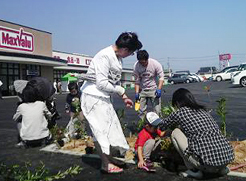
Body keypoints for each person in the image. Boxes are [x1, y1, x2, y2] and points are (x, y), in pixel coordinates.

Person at [80, 32, 142, 173]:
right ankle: (105, 164)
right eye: (131, 53)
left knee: (110, 130)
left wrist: (124, 96)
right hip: (93, 96)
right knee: (100, 131)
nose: (129, 55)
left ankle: (108, 158)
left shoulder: (117, 57)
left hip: (102, 97)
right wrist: (121, 91)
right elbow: (102, 84)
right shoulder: (104, 55)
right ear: (125, 49)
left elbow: (113, 81)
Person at [156, 88, 234, 179]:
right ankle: (221, 169)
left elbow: (162, 126)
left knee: (175, 132)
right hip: (225, 161)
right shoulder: (203, 111)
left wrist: (155, 121)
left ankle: (194, 170)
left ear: (177, 103)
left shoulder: (180, 112)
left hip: (207, 165)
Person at [133, 50, 164, 120]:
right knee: (141, 111)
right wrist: (137, 93)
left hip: (153, 90)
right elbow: (137, 81)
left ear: (147, 59)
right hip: (142, 90)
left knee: (157, 110)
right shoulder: (136, 66)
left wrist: (159, 89)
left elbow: (161, 77)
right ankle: (143, 126)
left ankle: (158, 127)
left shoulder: (155, 64)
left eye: (144, 62)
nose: (143, 64)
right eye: (141, 62)